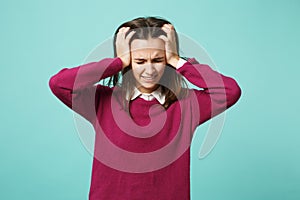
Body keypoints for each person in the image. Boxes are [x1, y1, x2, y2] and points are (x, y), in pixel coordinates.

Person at [49, 16, 241, 200]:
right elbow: (59, 84)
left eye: (158, 60)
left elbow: (230, 91)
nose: (149, 71)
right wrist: (118, 62)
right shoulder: (102, 100)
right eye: (139, 61)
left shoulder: (187, 104)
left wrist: (177, 60)